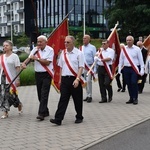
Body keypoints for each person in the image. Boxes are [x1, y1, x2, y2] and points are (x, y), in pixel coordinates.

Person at [50, 35, 84, 125]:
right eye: (65, 42)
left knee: (77, 99)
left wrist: (77, 79)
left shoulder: (79, 53)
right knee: (63, 99)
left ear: (73, 43)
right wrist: (60, 79)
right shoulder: (63, 53)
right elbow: (61, 67)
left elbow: (81, 67)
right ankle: (58, 119)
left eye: (68, 42)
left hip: (74, 79)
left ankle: (79, 116)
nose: (65, 44)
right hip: (65, 79)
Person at [22, 35, 54, 121]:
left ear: (46, 42)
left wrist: (37, 58)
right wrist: (24, 63)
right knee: (40, 95)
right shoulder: (35, 49)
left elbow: (47, 62)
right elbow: (29, 58)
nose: (39, 43)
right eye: (38, 41)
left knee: (44, 94)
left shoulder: (50, 50)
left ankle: (41, 113)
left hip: (47, 74)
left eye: (41, 41)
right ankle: (45, 110)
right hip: (38, 74)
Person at [118, 36, 144, 105]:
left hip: (134, 68)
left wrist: (142, 69)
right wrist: (119, 68)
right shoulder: (124, 49)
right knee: (128, 83)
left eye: (130, 40)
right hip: (126, 68)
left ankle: (135, 98)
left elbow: (141, 60)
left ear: (133, 41)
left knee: (133, 82)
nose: (128, 41)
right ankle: (131, 98)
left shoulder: (137, 49)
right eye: (127, 40)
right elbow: (121, 60)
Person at [0, 40, 22, 119]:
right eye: (4, 45)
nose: (5, 47)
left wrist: (18, 79)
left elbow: (17, 68)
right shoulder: (1, 57)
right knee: (3, 95)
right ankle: (5, 112)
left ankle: (18, 104)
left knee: (13, 95)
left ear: (11, 47)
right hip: (2, 79)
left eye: (7, 45)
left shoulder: (14, 56)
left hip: (11, 79)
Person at [81, 34, 96, 103]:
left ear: (89, 39)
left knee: (89, 81)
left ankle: (90, 96)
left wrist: (94, 69)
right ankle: (87, 94)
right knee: (84, 82)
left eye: (85, 38)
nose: (84, 40)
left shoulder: (92, 47)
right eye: (83, 38)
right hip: (83, 67)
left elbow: (95, 58)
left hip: (90, 66)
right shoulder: (81, 48)